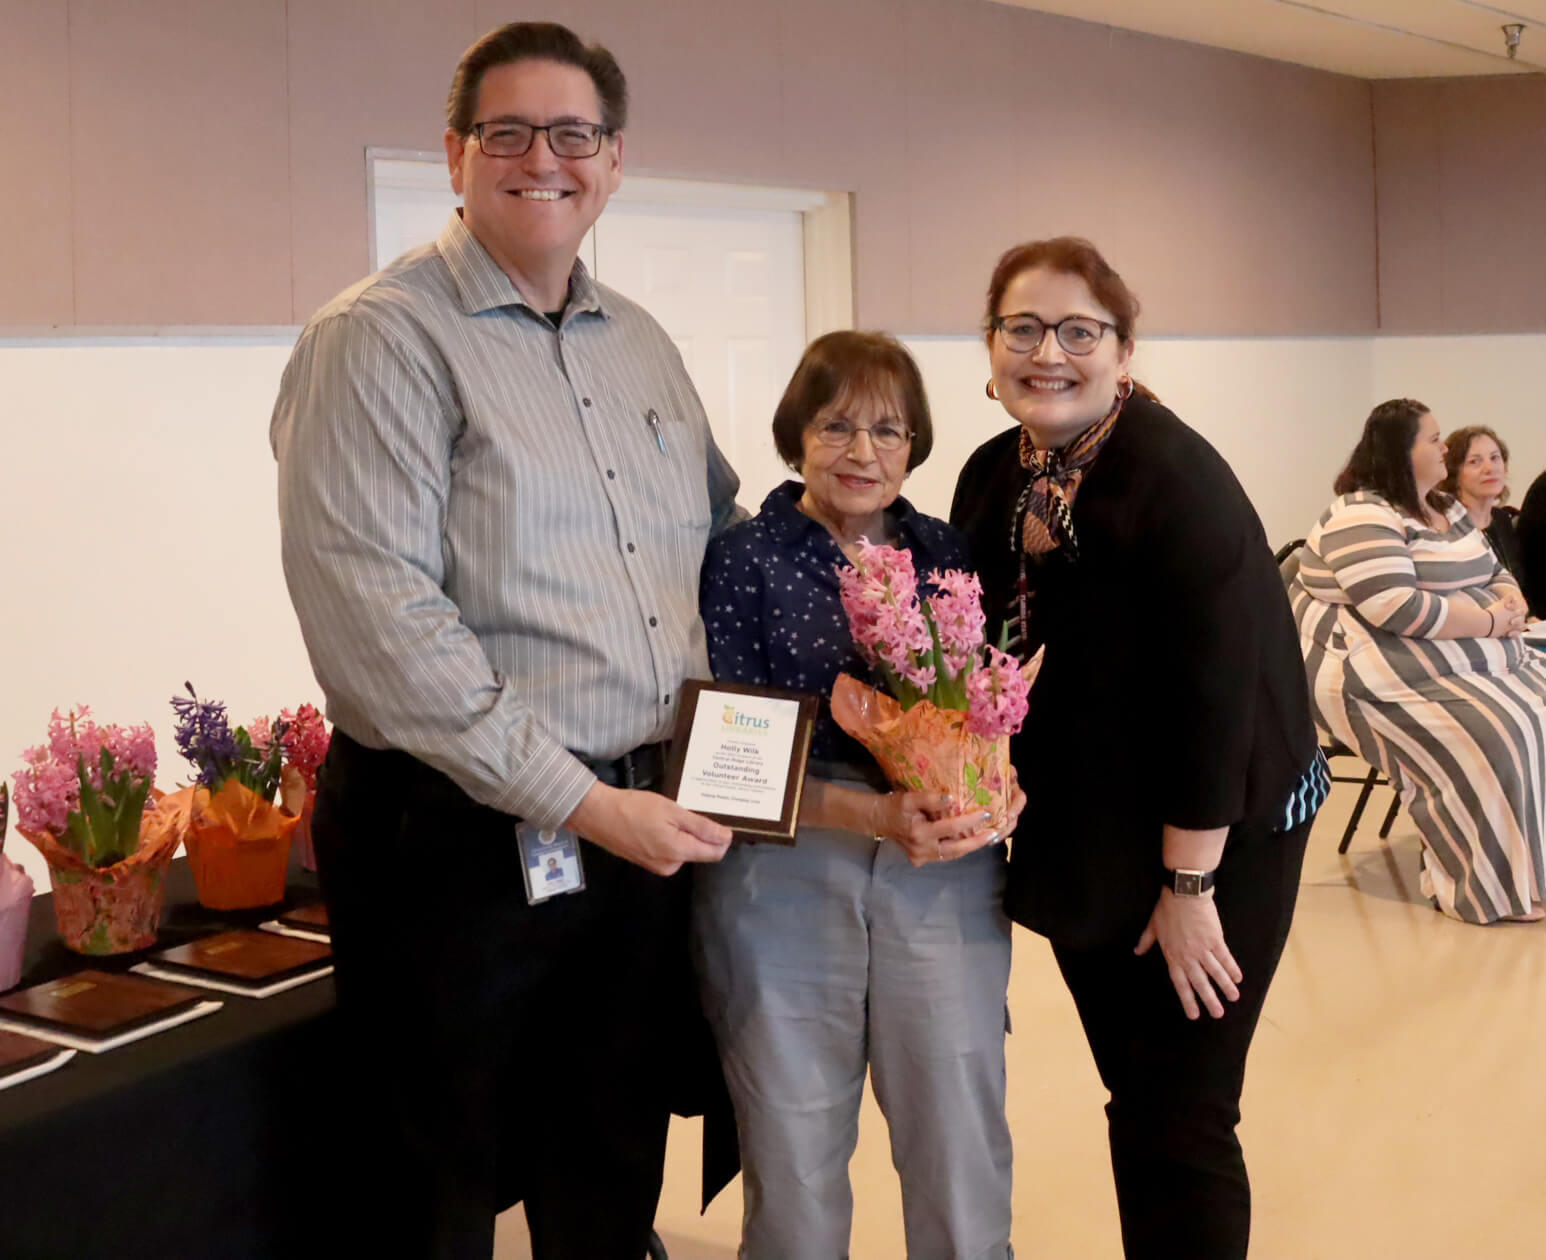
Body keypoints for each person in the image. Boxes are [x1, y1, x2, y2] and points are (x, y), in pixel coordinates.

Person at [270, 22, 740, 1259]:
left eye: (574, 134)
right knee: (437, 1169)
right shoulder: (377, 337)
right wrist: (582, 802)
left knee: (609, 1139)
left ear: (615, 161)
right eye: (510, 132)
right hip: (455, 841)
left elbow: (722, 539)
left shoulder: (639, 340)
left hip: (636, 823)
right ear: (455, 154)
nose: (546, 159)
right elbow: (382, 623)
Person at [952, 238, 1326, 1260]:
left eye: (1080, 330)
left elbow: (1217, 701)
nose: (1049, 352)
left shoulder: (1176, 480)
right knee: (1138, 1095)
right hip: (1094, 824)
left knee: (1183, 1112)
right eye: (1022, 327)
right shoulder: (994, 477)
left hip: (1218, 831)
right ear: (988, 346)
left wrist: (1189, 885)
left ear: (1121, 349)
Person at [695, 331, 1023, 1258]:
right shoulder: (747, 558)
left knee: (959, 1140)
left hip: (941, 874)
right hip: (786, 870)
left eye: (889, 429)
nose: (864, 452)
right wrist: (869, 813)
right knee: (793, 1152)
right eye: (837, 426)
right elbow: (729, 755)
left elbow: (983, 702)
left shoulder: (946, 551)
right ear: (797, 434)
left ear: (916, 442)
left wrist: (994, 782)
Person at [1291, 399, 1546, 924]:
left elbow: (1490, 568)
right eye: (1433, 439)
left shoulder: (1445, 507)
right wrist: (1492, 622)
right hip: (1382, 678)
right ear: (1399, 452)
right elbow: (1397, 607)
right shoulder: (1360, 513)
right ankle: (1488, 888)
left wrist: (1510, 597)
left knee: (1539, 712)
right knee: (1503, 730)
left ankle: (1535, 868)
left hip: (1470, 661)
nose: (1444, 447)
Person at [1440, 425, 1534, 609]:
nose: (1489, 468)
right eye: (1475, 462)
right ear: (1454, 473)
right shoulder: (1446, 523)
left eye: (1495, 458)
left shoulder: (1502, 519)